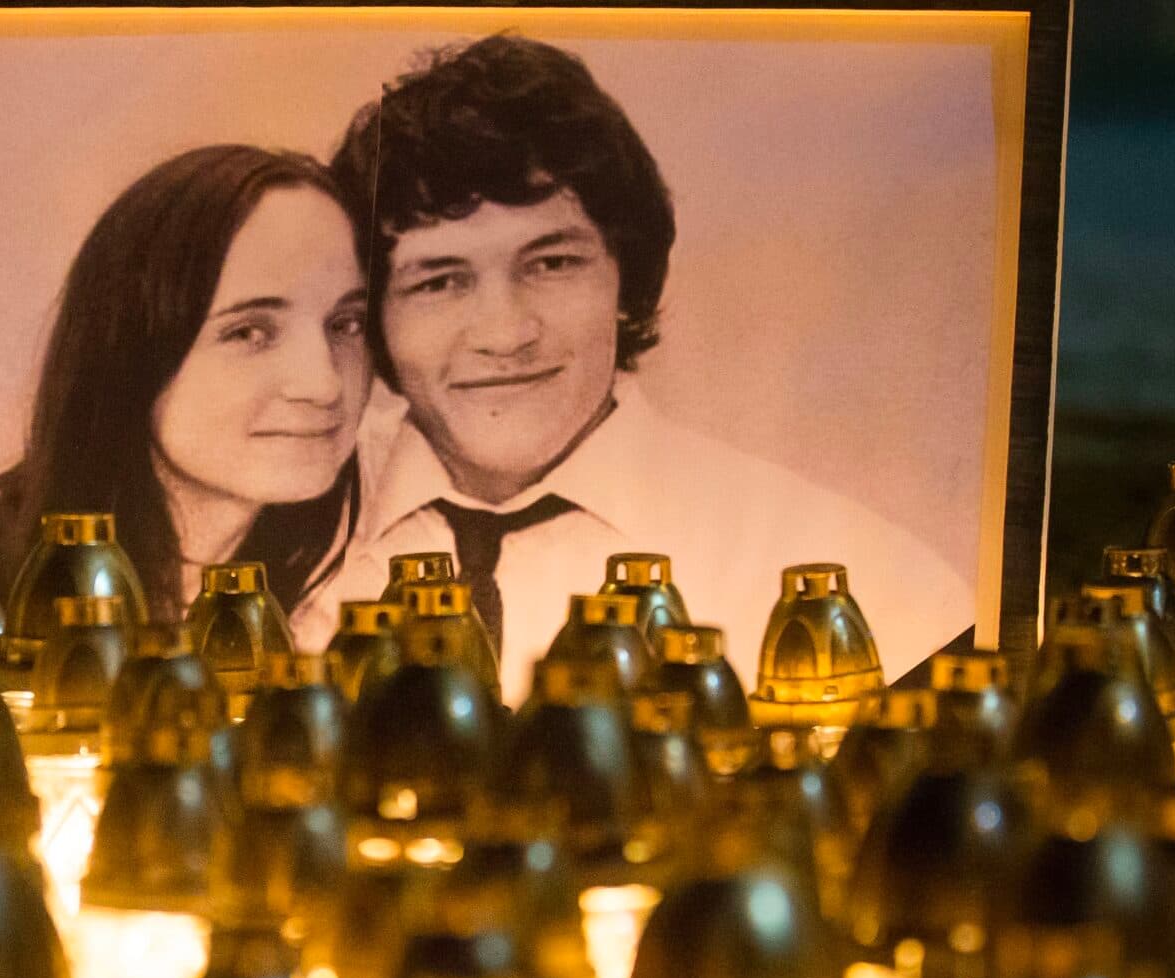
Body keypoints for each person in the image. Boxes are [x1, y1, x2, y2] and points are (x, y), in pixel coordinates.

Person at [304, 34, 975, 704]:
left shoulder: (876, 588)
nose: (506, 334)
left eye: (553, 263)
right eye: (439, 282)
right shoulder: (277, 555)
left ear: (626, 283)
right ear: (372, 319)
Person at [0, 145, 372, 654]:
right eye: (249, 332)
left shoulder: (350, 587)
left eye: (346, 323)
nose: (324, 384)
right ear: (132, 351)